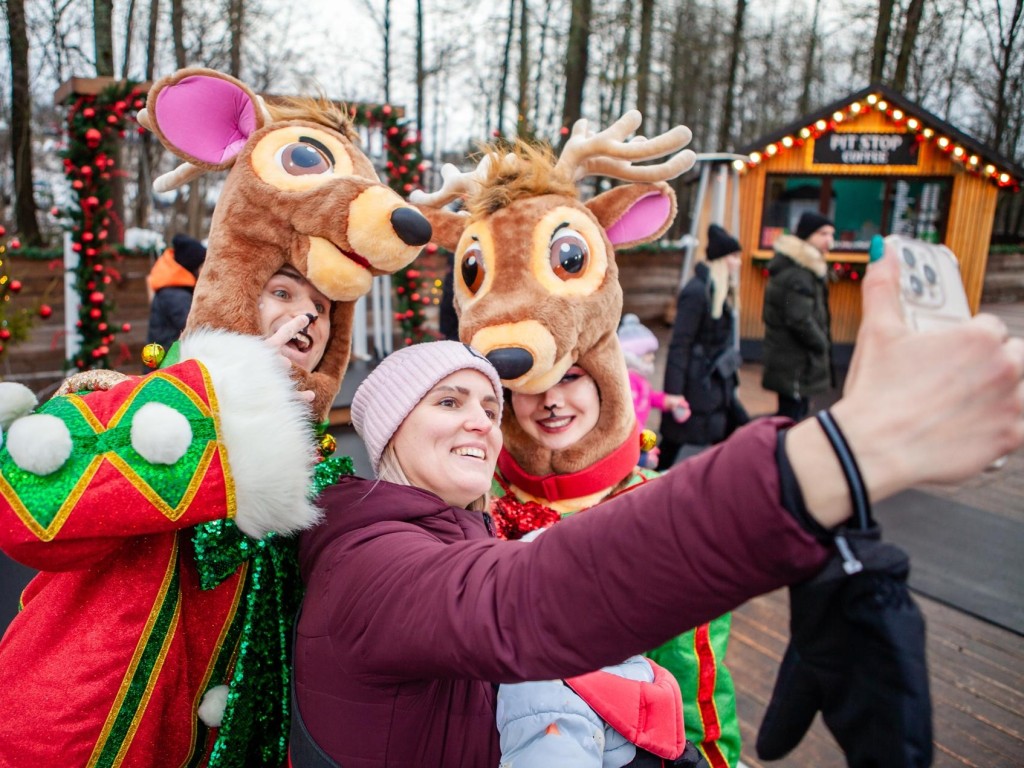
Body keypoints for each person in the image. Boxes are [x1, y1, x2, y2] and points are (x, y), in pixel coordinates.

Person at [290, 247, 1024, 768]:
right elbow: (522, 600)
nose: (484, 420)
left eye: (488, 403)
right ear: (386, 431)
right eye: (448, 402)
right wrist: (834, 456)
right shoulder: (372, 560)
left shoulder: (448, 528)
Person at [658, 224, 748, 468]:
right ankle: (649, 485)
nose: (738, 263)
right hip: (696, 384)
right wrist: (674, 392)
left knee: (725, 434)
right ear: (720, 259)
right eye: (733, 257)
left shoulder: (717, 291)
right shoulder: (697, 292)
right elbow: (680, 343)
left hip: (714, 383)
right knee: (674, 442)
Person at [761, 211, 836, 421]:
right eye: (823, 234)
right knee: (790, 420)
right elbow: (797, 317)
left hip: (793, 361)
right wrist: (821, 344)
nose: (829, 240)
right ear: (807, 235)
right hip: (794, 362)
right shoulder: (799, 274)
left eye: (831, 234)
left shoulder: (801, 268)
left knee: (793, 416)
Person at [618, 313, 690, 469]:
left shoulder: (640, 379)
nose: (651, 358)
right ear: (632, 356)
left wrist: (669, 401)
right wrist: (648, 446)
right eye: (647, 354)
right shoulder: (629, 381)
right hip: (628, 439)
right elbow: (629, 418)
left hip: (637, 434)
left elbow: (650, 397)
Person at [146, 233, 207, 350]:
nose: (203, 272)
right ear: (191, 267)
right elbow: (195, 329)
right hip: (168, 364)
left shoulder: (174, 289)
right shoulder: (176, 296)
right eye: (200, 267)